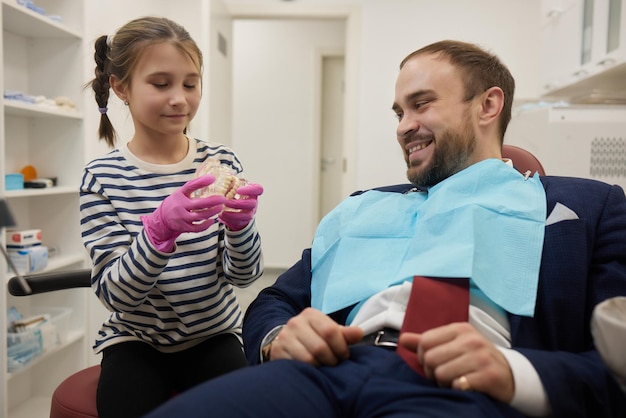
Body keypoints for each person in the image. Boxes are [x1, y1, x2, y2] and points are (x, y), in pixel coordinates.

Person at [145, 40, 626, 418]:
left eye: (421, 105)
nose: (403, 126)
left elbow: (616, 363)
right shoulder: (364, 207)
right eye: (399, 112)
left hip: (457, 387)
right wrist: (277, 339)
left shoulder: (586, 206)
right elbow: (276, 300)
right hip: (328, 372)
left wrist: (512, 372)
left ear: (488, 105)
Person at [80, 16, 264, 418]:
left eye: (190, 83)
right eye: (161, 84)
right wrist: (158, 232)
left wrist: (240, 227)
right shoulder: (103, 178)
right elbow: (116, 295)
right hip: (135, 339)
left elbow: (245, 276)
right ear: (121, 87)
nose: (179, 98)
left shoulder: (221, 162)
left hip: (213, 334)